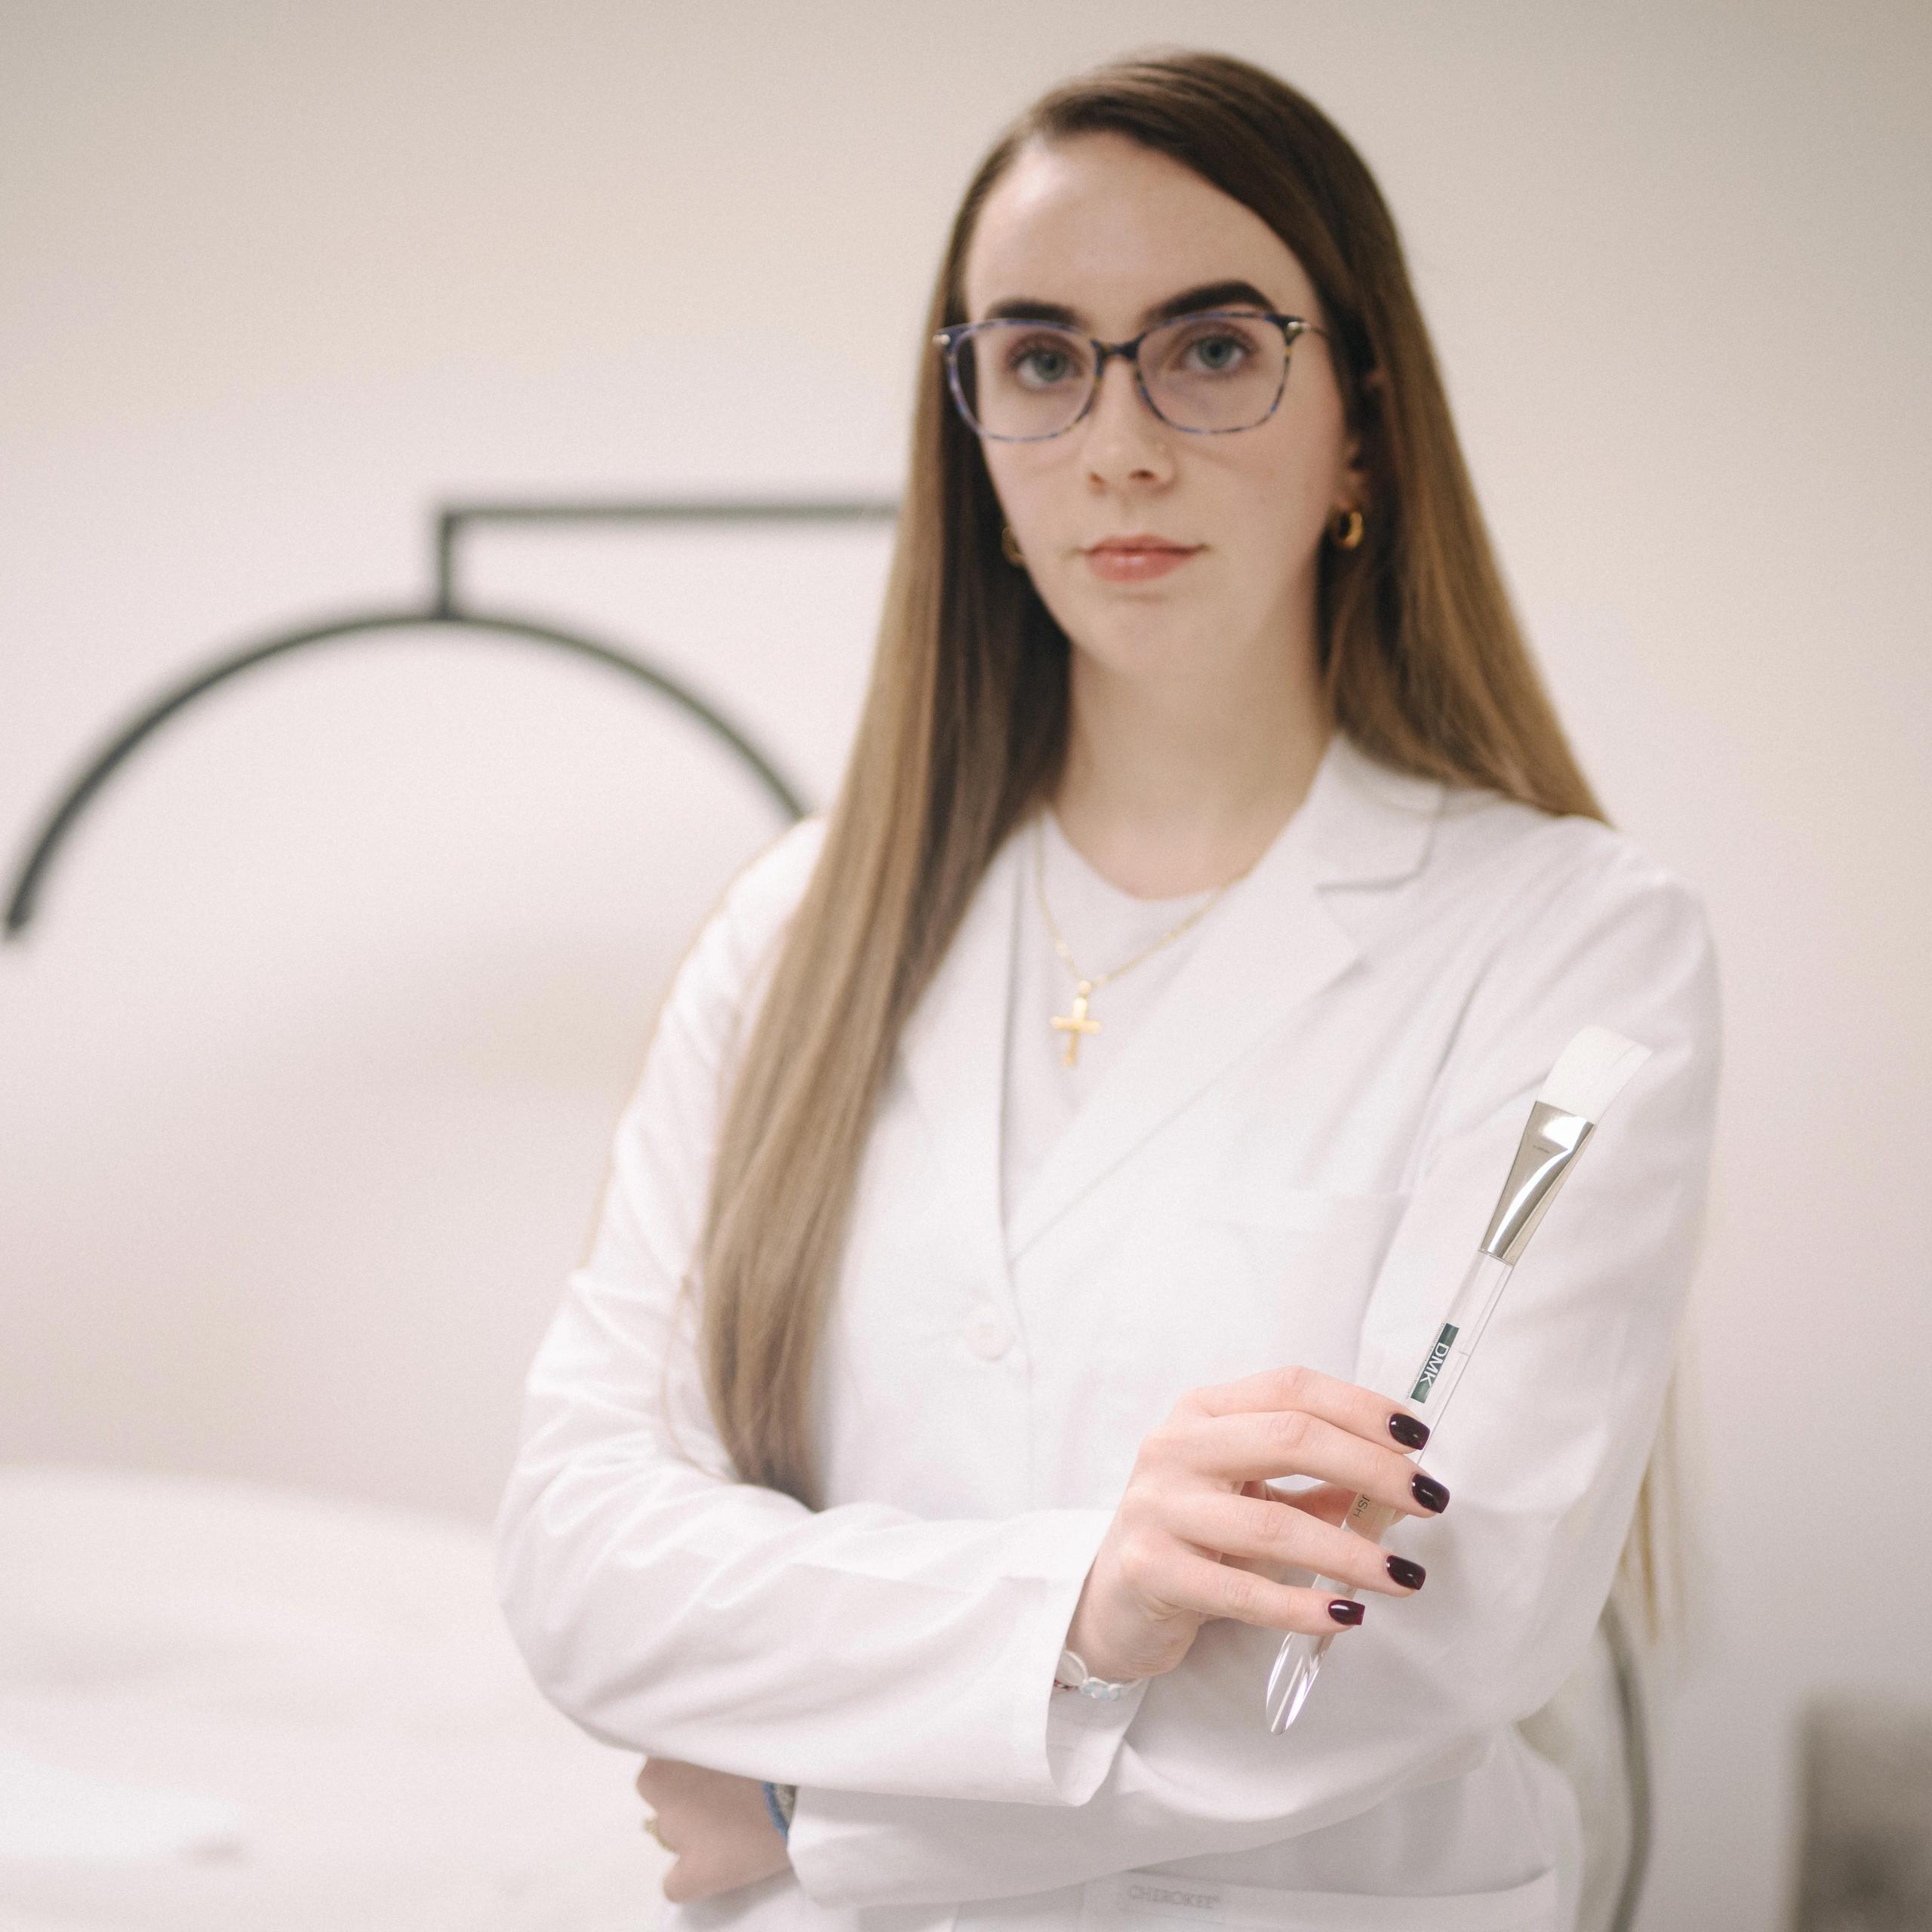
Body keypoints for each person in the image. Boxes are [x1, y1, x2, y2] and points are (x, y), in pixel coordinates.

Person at [494, 46, 1721, 1932]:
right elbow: (583, 1551)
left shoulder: (1569, 941)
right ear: (975, 435)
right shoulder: (794, 928)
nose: (1119, 444)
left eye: (1211, 349)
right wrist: (1083, 1599)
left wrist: (818, 1808)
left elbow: (1418, 1631)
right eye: (1042, 359)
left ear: (1363, 429)